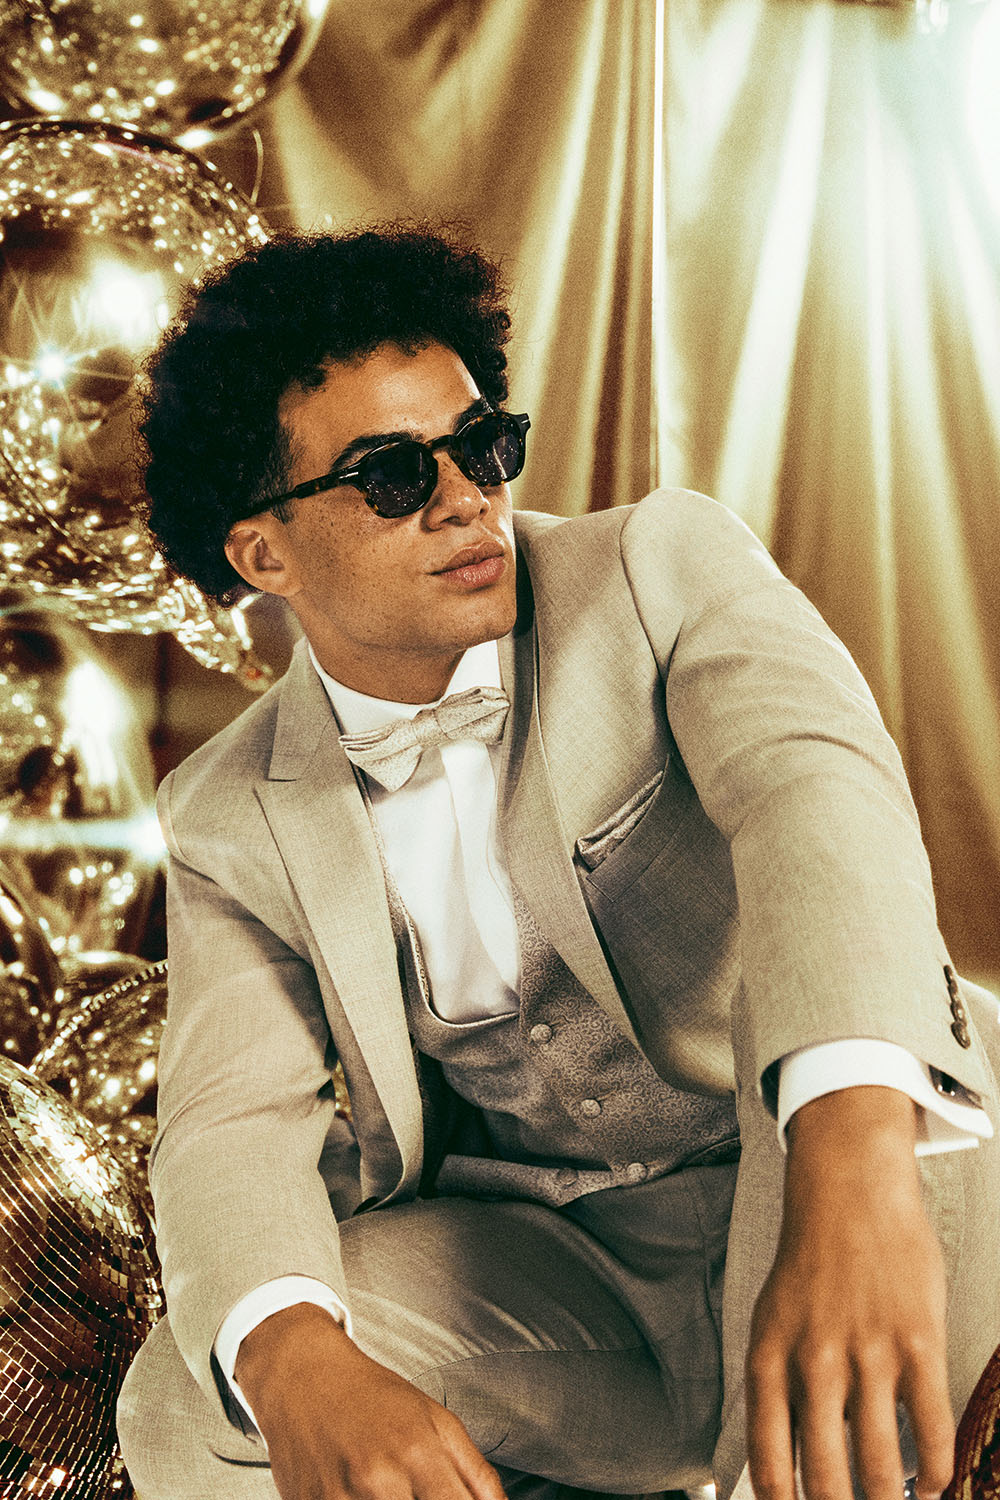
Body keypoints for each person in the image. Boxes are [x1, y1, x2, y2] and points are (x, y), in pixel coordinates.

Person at [116, 225, 1000, 1500]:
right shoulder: (226, 808)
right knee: (197, 1401)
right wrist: (296, 1354)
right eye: (390, 476)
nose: (465, 499)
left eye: (479, 445)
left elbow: (816, 803)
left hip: (821, 1159)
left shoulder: (656, 570)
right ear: (264, 553)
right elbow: (228, 1119)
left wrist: (857, 1161)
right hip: (564, 1280)